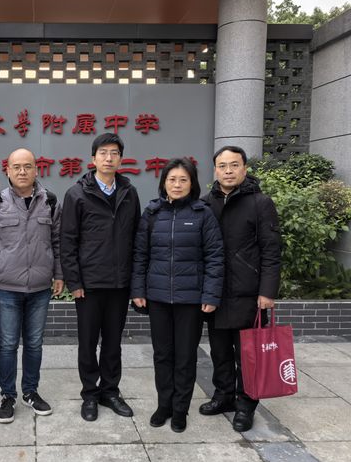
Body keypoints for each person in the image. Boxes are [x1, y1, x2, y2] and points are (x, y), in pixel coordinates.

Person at [131, 158, 224, 433]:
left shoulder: (203, 214)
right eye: (172, 179)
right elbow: (140, 255)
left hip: (190, 300)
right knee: (162, 355)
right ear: (164, 183)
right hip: (158, 298)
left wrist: (211, 295)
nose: (177, 184)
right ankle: (164, 405)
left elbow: (215, 257)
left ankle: (180, 409)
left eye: (183, 179)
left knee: (185, 356)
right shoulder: (152, 213)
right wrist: (138, 290)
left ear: (192, 184)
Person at [0, 148, 64, 424]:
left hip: (40, 287)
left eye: (27, 166)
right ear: (8, 170)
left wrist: (59, 275)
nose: (22, 171)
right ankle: (7, 396)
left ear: (37, 169)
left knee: (35, 344)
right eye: (16, 167)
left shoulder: (50, 201)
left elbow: (58, 242)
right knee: (8, 345)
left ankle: (30, 392)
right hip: (7, 287)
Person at [60, 132, 141, 422]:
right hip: (90, 285)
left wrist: (135, 282)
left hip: (119, 283)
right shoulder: (76, 194)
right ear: (93, 158)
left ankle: (110, 391)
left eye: (114, 153)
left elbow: (136, 239)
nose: (109, 158)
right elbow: (67, 241)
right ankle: (90, 394)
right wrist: (74, 282)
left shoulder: (129, 193)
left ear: (120, 159)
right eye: (103, 153)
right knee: (88, 342)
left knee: (113, 343)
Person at [199, 145, 281, 432]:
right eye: (222, 166)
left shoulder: (260, 203)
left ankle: (246, 404)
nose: (228, 171)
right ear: (215, 171)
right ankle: (223, 396)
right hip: (217, 293)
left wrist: (267, 291)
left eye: (234, 165)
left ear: (244, 168)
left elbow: (271, 251)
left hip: (249, 294)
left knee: (248, 356)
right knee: (219, 351)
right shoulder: (205, 203)